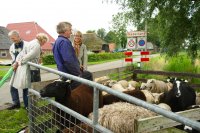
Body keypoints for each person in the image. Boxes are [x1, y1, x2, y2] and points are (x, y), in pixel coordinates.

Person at [9, 33, 49, 110]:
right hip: (32, 68)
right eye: (45, 42)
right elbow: (29, 55)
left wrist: (17, 62)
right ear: (43, 40)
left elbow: (21, 54)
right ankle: (30, 106)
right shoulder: (36, 44)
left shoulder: (31, 43)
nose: (44, 44)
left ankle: (28, 105)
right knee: (31, 87)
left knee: (27, 87)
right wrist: (19, 62)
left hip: (26, 67)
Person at [53, 22, 92, 89]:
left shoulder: (57, 41)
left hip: (63, 73)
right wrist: (78, 74)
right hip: (69, 74)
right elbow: (69, 60)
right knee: (88, 78)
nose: (71, 32)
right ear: (65, 30)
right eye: (70, 30)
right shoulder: (64, 42)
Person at [8, 30, 28, 110]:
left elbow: (28, 57)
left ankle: (27, 105)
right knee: (12, 86)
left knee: (25, 86)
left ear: (18, 36)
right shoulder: (12, 47)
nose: (12, 40)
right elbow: (13, 58)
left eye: (14, 38)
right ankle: (16, 103)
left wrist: (18, 63)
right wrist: (13, 63)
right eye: (11, 39)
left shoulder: (27, 45)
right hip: (16, 68)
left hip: (24, 68)